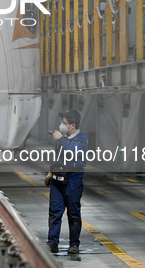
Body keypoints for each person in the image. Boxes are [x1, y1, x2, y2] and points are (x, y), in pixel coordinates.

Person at [44, 109, 88, 254]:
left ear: (72, 125)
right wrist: (51, 171)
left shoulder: (81, 139)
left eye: (65, 123)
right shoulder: (62, 138)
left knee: (73, 213)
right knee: (55, 212)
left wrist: (61, 139)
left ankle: (74, 244)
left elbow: (71, 153)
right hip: (58, 179)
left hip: (73, 179)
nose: (62, 125)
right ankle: (52, 242)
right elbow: (57, 156)